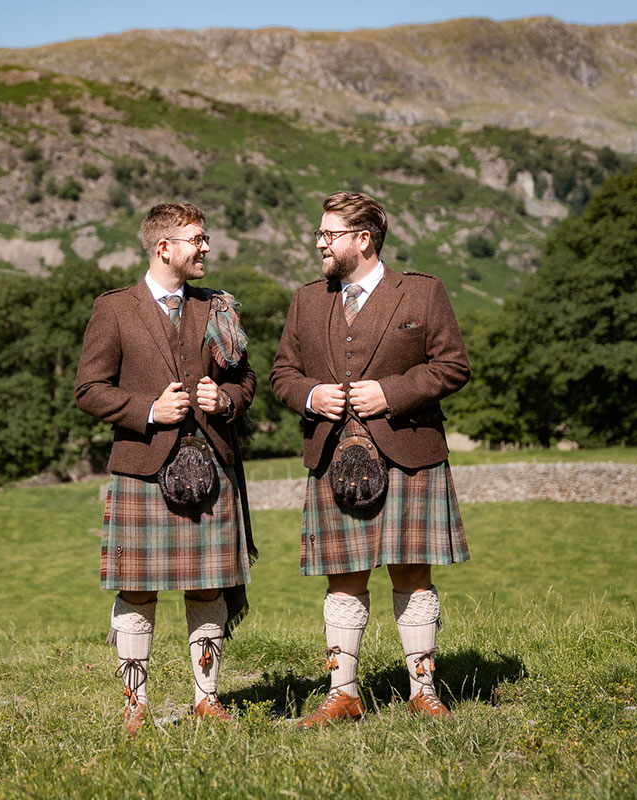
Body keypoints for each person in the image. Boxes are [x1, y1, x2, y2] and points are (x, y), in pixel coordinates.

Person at [269, 191, 470, 728]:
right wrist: (312, 396)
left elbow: (452, 367)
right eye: (320, 233)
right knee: (343, 575)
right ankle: (343, 694)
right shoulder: (307, 300)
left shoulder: (422, 294)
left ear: (363, 239)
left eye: (328, 234)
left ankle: (423, 690)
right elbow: (282, 374)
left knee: (412, 571)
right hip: (333, 452)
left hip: (408, 451)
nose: (319, 243)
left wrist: (393, 393)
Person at [75, 202, 257, 737]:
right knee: (137, 589)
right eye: (196, 239)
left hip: (211, 467)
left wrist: (224, 400)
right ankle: (135, 706)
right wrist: (149, 410)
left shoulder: (217, 306)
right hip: (142, 467)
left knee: (208, 586)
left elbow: (246, 380)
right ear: (164, 248)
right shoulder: (115, 310)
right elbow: (88, 390)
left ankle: (207, 699)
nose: (206, 247)